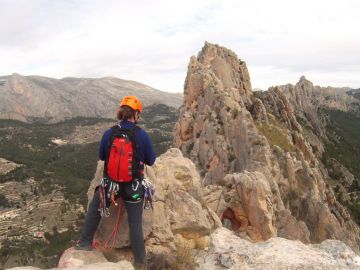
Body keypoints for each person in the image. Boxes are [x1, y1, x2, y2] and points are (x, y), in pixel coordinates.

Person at [76, 95, 156, 269]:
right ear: (136, 114)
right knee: (135, 224)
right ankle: (140, 263)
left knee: (95, 208)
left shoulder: (109, 133)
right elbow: (151, 160)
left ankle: (84, 243)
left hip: (110, 186)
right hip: (133, 187)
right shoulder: (141, 135)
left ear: (121, 112)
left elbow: (102, 156)